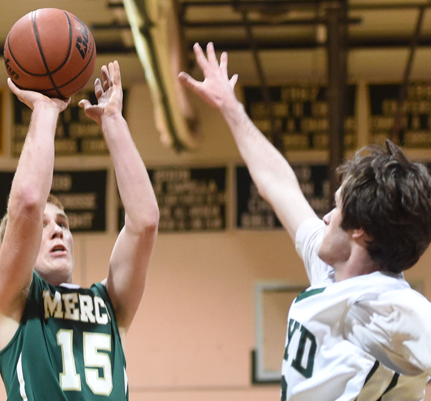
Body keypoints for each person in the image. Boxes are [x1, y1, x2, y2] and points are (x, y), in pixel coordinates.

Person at [179, 42, 431, 400]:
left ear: (360, 231)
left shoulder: (390, 306)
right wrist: (230, 108)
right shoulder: (332, 272)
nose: (325, 217)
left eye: (337, 208)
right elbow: (279, 185)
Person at [0, 61, 159, 400]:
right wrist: (46, 109)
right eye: (44, 227)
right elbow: (28, 203)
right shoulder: (11, 303)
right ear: (15, 246)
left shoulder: (109, 303)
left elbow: (145, 222)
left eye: (63, 224)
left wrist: (113, 122)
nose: (57, 232)